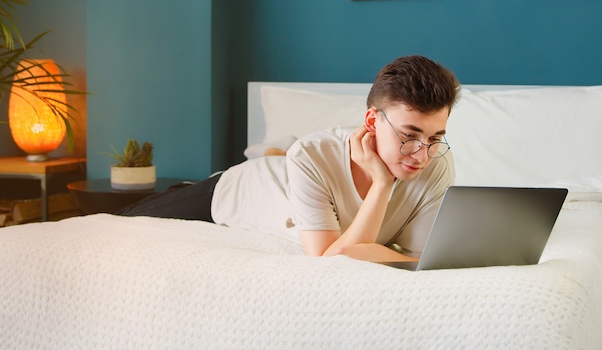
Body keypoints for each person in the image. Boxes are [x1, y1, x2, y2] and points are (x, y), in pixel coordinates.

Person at [119, 54, 459, 263]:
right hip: (235, 190)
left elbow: (415, 258)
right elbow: (331, 257)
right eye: (409, 135)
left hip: (287, 187)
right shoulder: (312, 154)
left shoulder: (437, 164)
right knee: (121, 219)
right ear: (372, 122)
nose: (422, 154)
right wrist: (383, 184)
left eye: (433, 139)